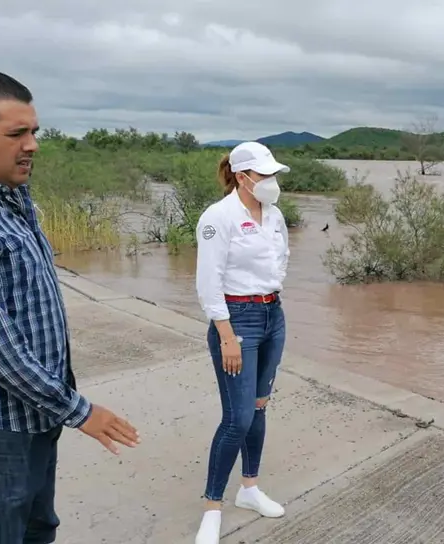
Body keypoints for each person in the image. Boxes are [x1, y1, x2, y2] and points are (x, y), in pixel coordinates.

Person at [0, 69, 140, 543]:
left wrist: (56, 406)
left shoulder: (10, 197)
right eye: (16, 133)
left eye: (34, 131)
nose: (33, 145)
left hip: (31, 416)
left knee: (38, 531)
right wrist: (80, 410)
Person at [193, 141, 291, 544]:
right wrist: (227, 335)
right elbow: (207, 282)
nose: (270, 181)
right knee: (238, 418)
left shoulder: (274, 215)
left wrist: (270, 296)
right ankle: (212, 508)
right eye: (263, 174)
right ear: (241, 176)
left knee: (259, 408)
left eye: (272, 174)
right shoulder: (218, 218)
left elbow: (281, 260)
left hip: (273, 315)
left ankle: (248, 489)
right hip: (237, 320)